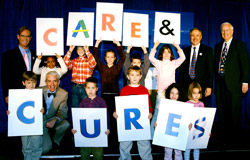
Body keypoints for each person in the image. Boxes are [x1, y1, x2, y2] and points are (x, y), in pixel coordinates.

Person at [1, 26, 36, 160]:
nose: (25, 39)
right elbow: (5, 77)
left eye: (28, 36)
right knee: (16, 124)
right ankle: (14, 154)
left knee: (30, 121)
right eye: (23, 36)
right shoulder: (8, 55)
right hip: (15, 95)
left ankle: (29, 150)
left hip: (32, 94)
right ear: (18, 37)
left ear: (31, 38)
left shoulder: (35, 54)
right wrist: (6, 95)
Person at [214, 22, 250, 144]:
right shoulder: (218, 46)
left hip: (234, 85)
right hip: (220, 84)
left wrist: (245, 82)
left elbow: (245, 65)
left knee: (234, 112)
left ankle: (234, 139)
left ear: (232, 31)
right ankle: (224, 137)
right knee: (222, 111)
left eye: (227, 30)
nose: (225, 33)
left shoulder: (239, 45)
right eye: (223, 31)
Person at [113, 65, 153, 160]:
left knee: (144, 144)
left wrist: (150, 112)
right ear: (128, 76)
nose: (134, 77)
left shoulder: (144, 90)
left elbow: (149, 105)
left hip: (141, 122)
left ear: (140, 77)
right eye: (132, 75)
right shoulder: (124, 90)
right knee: (124, 144)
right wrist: (115, 112)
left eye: (137, 75)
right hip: (127, 122)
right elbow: (120, 105)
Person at [93, 38, 125, 150]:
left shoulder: (117, 67)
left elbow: (123, 57)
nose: (110, 59)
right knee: (104, 117)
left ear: (115, 58)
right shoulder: (102, 67)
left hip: (115, 96)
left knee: (114, 118)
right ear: (105, 58)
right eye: (108, 57)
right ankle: (104, 138)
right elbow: (95, 57)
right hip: (104, 96)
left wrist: (118, 45)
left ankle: (114, 140)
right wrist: (97, 44)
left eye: (112, 57)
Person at [149, 41, 186, 138]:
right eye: (164, 52)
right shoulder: (159, 63)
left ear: (171, 54)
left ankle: (166, 136)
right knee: (157, 113)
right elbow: (150, 58)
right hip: (161, 93)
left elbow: (183, 58)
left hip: (171, 93)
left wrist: (177, 46)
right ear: (161, 54)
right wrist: (155, 46)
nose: (166, 54)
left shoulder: (173, 63)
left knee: (170, 115)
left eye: (168, 52)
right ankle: (152, 136)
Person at [7, 71, 44, 160]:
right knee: (26, 146)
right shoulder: (18, 95)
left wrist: (43, 110)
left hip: (35, 124)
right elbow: (14, 108)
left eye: (34, 82)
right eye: (28, 82)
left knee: (37, 144)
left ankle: (36, 158)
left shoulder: (38, 94)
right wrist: (10, 112)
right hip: (23, 125)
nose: (31, 85)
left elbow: (44, 107)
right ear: (23, 83)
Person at [72, 77, 110, 160]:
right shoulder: (83, 102)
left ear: (97, 89)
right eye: (88, 88)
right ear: (85, 88)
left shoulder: (101, 101)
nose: (90, 90)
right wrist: (75, 128)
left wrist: (107, 128)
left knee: (98, 153)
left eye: (93, 88)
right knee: (84, 153)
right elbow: (78, 117)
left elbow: (106, 116)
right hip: (85, 133)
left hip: (98, 132)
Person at [178, 28, 213, 105]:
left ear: (201, 37)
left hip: (202, 87)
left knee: (200, 111)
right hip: (186, 87)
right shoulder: (185, 51)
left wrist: (209, 86)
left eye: (197, 35)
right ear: (190, 37)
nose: (195, 38)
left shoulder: (207, 50)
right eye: (192, 36)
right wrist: (180, 87)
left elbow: (210, 70)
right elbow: (182, 70)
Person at [42, 71, 70, 154]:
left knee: (66, 124)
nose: (52, 84)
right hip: (39, 121)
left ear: (59, 82)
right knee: (45, 150)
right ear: (46, 82)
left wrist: (54, 120)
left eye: (55, 81)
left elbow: (63, 112)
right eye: (49, 81)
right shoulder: (37, 90)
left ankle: (55, 142)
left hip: (51, 118)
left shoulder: (63, 94)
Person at [154, 83, 184, 160]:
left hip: (178, 133)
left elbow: (185, 119)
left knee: (178, 152)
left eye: (177, 93)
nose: (174, 95)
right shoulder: (164, 105)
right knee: (167, 152)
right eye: (172, 93)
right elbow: (161, 117)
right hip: (167, 133)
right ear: (168, 93)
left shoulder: (183, 106)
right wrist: (157, 124)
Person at [184, 82, 204, 160]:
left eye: (198, 93)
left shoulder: (201, 104)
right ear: (190, 93)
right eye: (194, 93)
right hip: (189, 130)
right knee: (187, 149)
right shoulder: (187, 103)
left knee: (196, 149)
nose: (197, 95)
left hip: (197, 130)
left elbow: (203, 119)